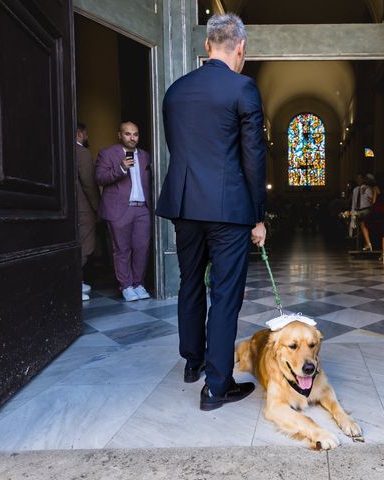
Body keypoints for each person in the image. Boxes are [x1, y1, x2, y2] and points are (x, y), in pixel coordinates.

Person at [156, 13, 266, 411]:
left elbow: (179, 149)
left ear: (207, 47)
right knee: (225, 295)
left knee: (190, 283)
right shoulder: (243, 88)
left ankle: (192, 362)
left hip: (185, 205)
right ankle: (216, 387)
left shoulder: (175, 91)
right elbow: (253, 157)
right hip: (228, 208)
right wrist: (258, 215)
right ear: (240, 48)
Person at [95, 121, 152, 302]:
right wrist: (120, 168)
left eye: (135, 134)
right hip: (120, 209)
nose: (132, 137)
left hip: (142, 208)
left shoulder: (146, 156)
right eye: (127, 134)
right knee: (122, 249)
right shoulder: (107, 153)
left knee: (142, 248)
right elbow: (99, 178)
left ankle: (138, 283)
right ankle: (126, 286)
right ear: (119, 135)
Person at [76, 122, 100, 301]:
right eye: (85, 134)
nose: (86, 137)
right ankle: (72, 282)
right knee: (86, 245)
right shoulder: (82, 153)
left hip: (67, 211)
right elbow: (89, 184)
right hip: (83, 209)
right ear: (79, 134)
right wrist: (97, 208)